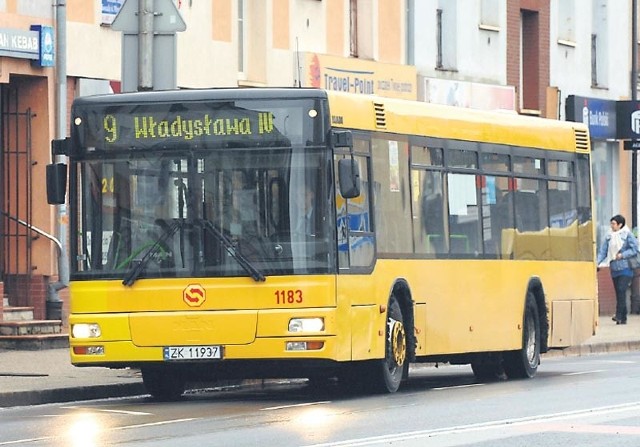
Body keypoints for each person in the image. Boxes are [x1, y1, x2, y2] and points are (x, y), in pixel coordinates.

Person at [597, 214, 639, 325]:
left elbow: (635, 249)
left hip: (626, 268)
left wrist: (623, 255)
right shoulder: (609, 236)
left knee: (621, 289)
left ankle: (618, 315)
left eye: (614, 224)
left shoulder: (627, 235)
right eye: (611, 223)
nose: (611, 226)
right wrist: (597, 262)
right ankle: (623, 318)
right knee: (619, 292)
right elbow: (603, 251)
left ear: (620, 225)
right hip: (614, 269)